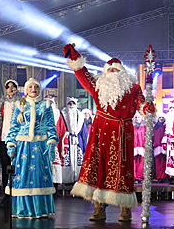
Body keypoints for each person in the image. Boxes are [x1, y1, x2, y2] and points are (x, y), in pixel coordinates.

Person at [64, 44, 154, 222]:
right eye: (109, 70)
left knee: (123, 169)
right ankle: (99, 208)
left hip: (122, 134)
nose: (112, 72)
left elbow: (141, 106)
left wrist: (147, 108)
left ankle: (125, 209)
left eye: (116, 70)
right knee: (99, 168)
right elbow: (83, 73)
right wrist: (74, 55)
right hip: (101, 133)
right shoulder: (98, 86)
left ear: (123, 73)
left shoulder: (133, 88)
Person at [5, 78, 58, 219]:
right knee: (22, 176)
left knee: (40, 176)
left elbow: (51, 126)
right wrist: (11, 144)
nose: (33, 89)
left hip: (40, 145)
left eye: (36, 87)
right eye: (30, 87)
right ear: (26, 89)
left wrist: (51, 143)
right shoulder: (20, 105)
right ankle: (22, 209)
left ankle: (40, 209)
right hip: (23, 146)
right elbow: (14, 127)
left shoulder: (46, 105)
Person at [0, 79, 22, 209]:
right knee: (5, 168)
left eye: (13, 86)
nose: (10, 89)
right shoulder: (2, 101)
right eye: (8, 87)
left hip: (16, 140)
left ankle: (16, 194)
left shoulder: (21, 102)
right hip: (3, 139)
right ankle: (7, 194)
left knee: (15, 168)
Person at [60, 97, 88, 184]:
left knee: (78, 160)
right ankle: (66, 180)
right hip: (67, 140)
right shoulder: (62, 114)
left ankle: (77, 179)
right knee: (67, 161)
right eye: (70, 103)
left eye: (73, 103)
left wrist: (85, 146)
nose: (71, 105)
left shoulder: (80, 116)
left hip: (78, 142)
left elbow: (84, 133)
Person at [44, 95, 67, 195]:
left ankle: (55, 188)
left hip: (55, 144)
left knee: (55, 165)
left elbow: (62, 130)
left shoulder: (58, 114)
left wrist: (63, 145)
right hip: (43, 143)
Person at [153, 113, 167, 183]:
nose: (161, 119)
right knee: (158, 163)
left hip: (164, 147)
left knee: (164, 162)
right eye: (160, 117)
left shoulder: (166, 126)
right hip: (157, 146)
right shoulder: (155, 127)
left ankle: (164, 176)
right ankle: (159, 177)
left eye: (162, 117)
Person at [133, 112, 146, 184]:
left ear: (142, 118)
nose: (137, 119)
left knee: (141, 164)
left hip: (142, 147)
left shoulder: (144, 127)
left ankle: (140, 177)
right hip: (134, 147)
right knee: (134, 163)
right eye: (136, 117)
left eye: (138, 117)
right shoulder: (132, 127)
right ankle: (135, 178)